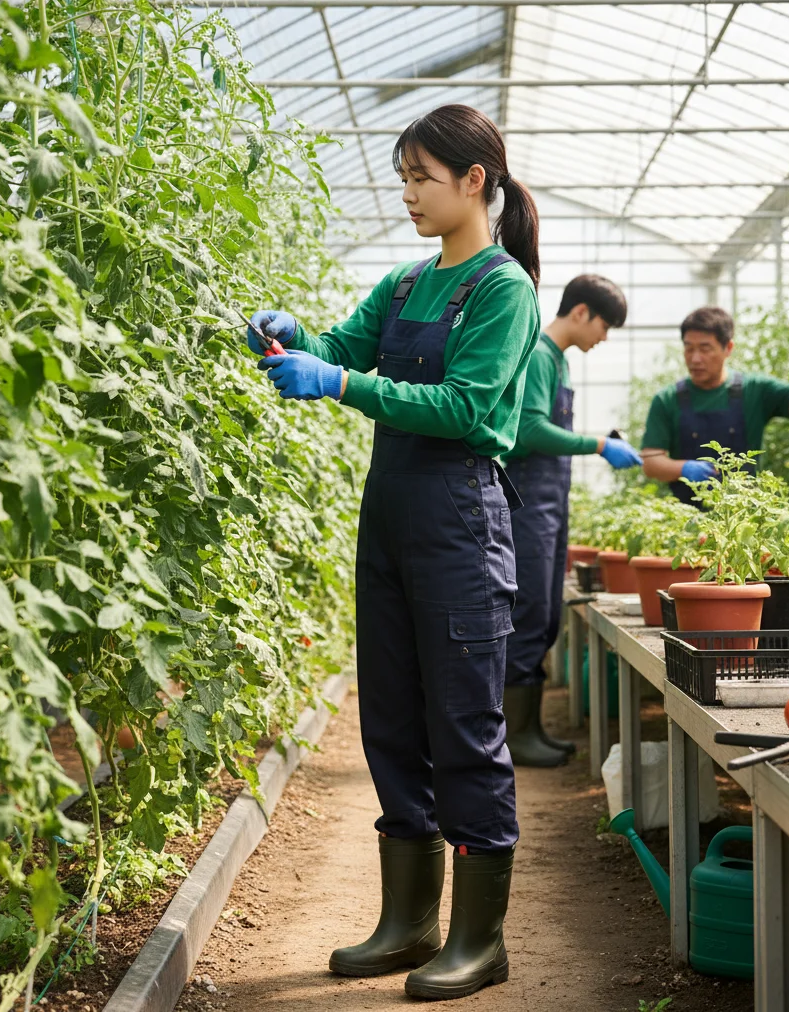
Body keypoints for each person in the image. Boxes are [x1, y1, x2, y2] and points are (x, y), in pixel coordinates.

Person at [245, 105, 541, 1000]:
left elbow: (462, 405)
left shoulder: (502, 290)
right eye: (403, 176)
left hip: (459, 522)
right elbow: (341, 346)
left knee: (465, 730)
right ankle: (408, 923)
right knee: (394, 721)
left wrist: (340, 382)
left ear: (473, 181)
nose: (407, 194)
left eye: (421, 177)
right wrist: (301, 340)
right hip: (392, 521)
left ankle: (479, 940)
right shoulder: (407, 284)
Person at [502, 275, 641, 767]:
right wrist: (599, 445)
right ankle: (513, 734)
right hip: (528, 496)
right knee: (528, 611)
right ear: (581, 312)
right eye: (604, 325)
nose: (604, 337)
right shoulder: (539, 354)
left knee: (543, 614)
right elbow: (532, 429)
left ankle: (528, 726)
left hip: (549, 499)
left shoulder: (556, 359)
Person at [641, 306, 789, 504]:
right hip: (686, 518)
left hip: (744, 520)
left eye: (705, 348)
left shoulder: (754, 390)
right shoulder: (668, 400)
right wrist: (686, 469)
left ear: (728, 348)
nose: (695, 358)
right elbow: (651, 463)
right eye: (689, 348)